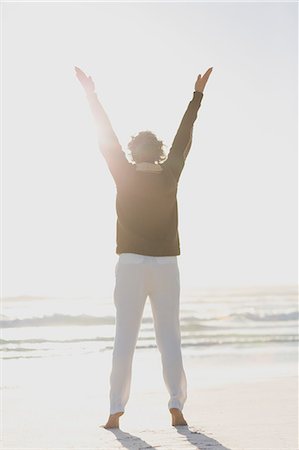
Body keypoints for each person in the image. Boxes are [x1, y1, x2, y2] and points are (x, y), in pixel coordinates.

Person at [75, 66, 213, 429]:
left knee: (125, 340)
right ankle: (176, 407)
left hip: (131, 265)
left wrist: (91, 95)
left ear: (135, 152)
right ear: (160, 152)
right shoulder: (170, 174)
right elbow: (185, 136)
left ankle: (115, 412)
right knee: (170, 338)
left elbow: (107, 138)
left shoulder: (122, 169)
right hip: (167, 266)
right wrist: (196, 96)